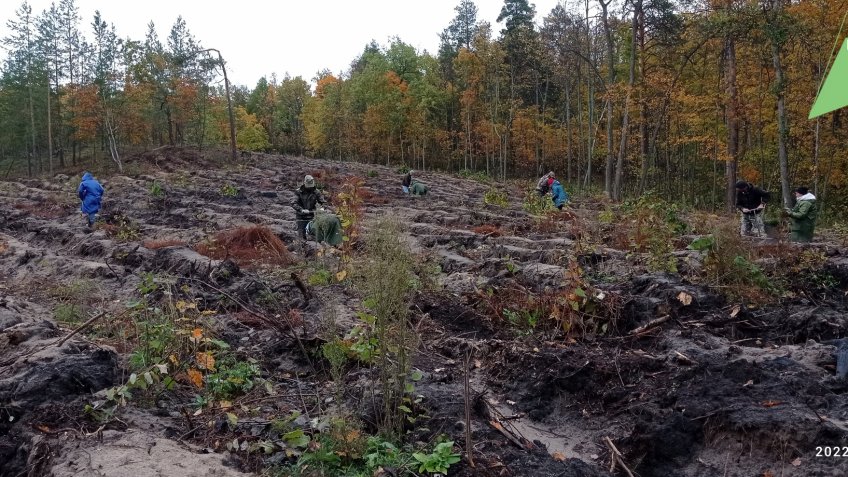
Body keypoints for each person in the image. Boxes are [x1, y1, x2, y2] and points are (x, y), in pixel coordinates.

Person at [291, 175, 325, 239]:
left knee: (314, 235)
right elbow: (293, 203)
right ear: (304, 184)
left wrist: (321, 208)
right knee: (301, 236)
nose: (310, 188)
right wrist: (301, 210)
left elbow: (322, 202)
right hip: (301, 217)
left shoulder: (316, 192)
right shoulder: (298, 192)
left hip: (312, 216)